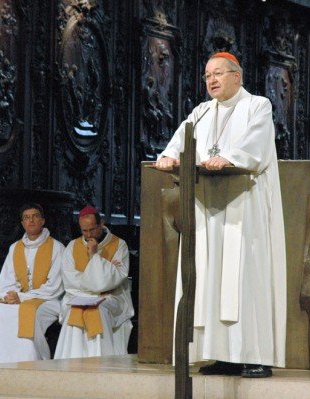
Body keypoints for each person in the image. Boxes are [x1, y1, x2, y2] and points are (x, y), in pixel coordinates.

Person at [155, 51, 286, 378]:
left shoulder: (258, 105)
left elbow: (254, 146)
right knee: (209, 278)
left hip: (244, 206)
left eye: (218, 74)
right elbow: (178, 143)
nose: (211, 80)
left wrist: (228, 157)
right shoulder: (201, 111)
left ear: (236, 76)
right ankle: (221, 354)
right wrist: (169, 157)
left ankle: (255, 355)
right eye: (207, 76)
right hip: (207, 206)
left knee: (244, 278)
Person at [0, 203, 64, 363]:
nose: (30, 220)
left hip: (48, 300)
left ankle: (30, 360)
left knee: (26, 312)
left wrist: (22, 297)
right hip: (18, 298)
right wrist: (9, 295)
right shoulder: (15, 248)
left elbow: (55, 287)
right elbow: (5, 281)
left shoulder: (57, 248)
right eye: (26, 217)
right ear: (22, 223)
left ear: (43, 220)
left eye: (35, 216)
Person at [54, 205, 134, 358]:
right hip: (77, 296)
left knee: (97, 310)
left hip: (111, 297)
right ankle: (73, 361)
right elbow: (70, 279)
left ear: (101, 223)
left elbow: (114, 279)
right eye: (84, 231)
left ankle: (101, 360)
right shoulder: (72, 246)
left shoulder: (119, 245)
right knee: (74, 310)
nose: (88, 234)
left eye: (92, 229)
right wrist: (106, 271)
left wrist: (94, 256)